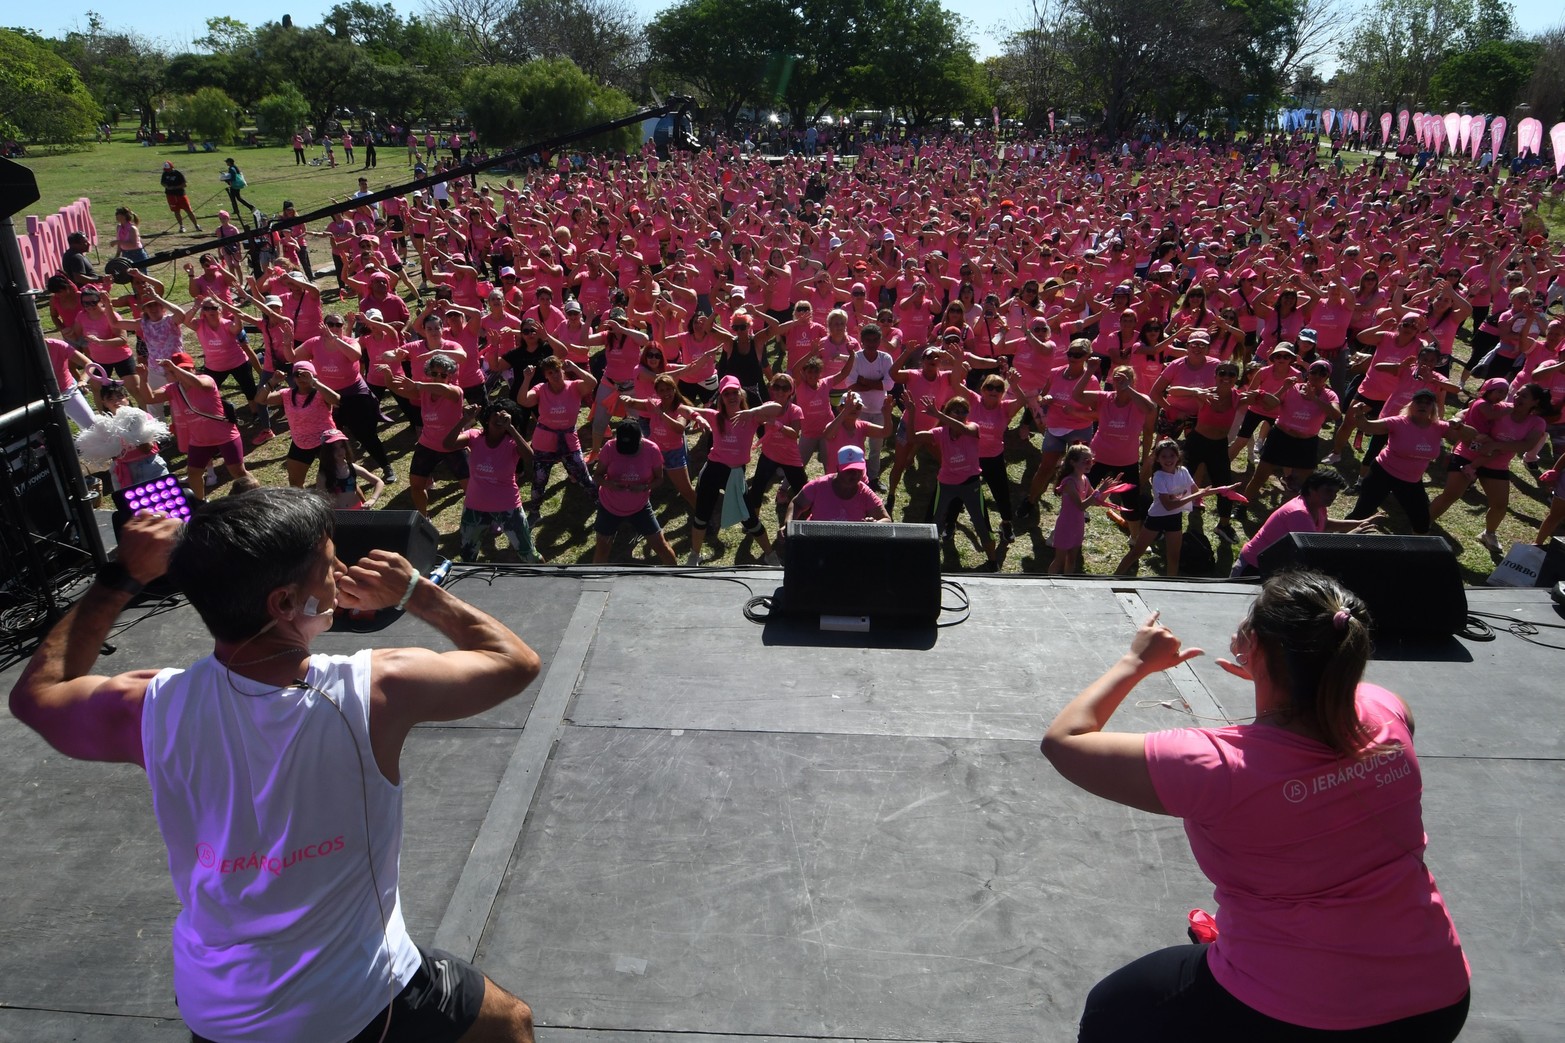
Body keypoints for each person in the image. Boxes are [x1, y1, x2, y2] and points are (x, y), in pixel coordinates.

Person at [8, 489, 542, 1043]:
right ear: (286, 605)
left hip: (218, 1010)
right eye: (328, 566)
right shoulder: (372, 689)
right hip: (355, 1000)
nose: (338, 575)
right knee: (507, 1022)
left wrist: (121, 575)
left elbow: (36, 695)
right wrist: (415, 592)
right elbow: (514, 661)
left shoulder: (148, 706)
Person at [1041, 573, 1469, 1041]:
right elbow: (1337, 714)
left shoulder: (1216, 766)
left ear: (1257, 648)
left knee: (1112, 1010)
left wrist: (1135, 662)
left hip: (1297, 1014)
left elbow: (1064, 741)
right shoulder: (1385, 712)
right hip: (1437, 998)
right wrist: (1282, 679)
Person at [1231, 470, 1384, 577]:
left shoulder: (1318, 506)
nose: (1333, 496)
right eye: (1328, 491)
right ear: (1311, 488)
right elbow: (1314, 550)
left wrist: (1361, 522)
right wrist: (1350, 537)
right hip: (1253, 568)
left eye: (1335, 493)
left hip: (1272, 569)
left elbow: (1326, 524)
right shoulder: (1299, 513)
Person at [592, 419, 678, 565]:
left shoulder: (652, 450)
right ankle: (594, 582)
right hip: (609, 507)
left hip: (640, 507)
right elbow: (597, 476)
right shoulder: (609, 447)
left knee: (660, 545)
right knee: (602, 550)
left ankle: (678, 579)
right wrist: (609, 484)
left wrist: (645, 487)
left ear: (640, 438)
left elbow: (659, 479)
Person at [787, 446, 891, 523]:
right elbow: (797, 504)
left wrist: (876, 525)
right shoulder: (819, 485)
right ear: (838, 469)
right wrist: (788, 524)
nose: (854, 474)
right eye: (849, 470)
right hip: (817, 540)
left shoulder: (865, 493)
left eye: (859, 470)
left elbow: (887, 520)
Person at [161, 161, 201, 233]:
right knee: (176, 211)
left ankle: (196, 225)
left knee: (188, 210)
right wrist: (166, 186)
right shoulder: (165, 174)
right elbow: (162, 182)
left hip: (180, 195)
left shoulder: (178, 173)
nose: (167, 171)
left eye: (168, 169)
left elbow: (184, 184)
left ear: (172, 167)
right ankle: (181, 226)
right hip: (170, 196)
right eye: (166, 170)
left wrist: (174, 188)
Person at [220, 159, 255, 226]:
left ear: (229, 162)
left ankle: (237, 210)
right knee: (238, 198)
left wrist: (226, 179)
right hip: (237, 185)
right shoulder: (234, 167)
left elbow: (233, 178)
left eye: (227, 162)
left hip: (234, 185)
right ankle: (249, 207)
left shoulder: (231, 168)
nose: (226, 163)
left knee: (233, 198)